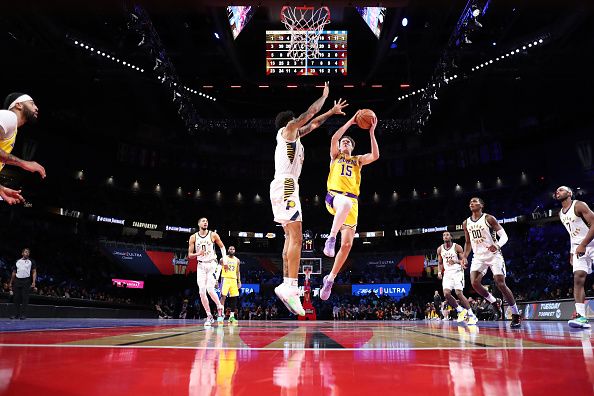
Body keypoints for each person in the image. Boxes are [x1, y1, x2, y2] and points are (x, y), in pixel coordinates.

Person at [270, 82, 348, 316]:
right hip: (286, 185)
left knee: (289, 237)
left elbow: (314, 123)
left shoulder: (294, 138)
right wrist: (324, 98)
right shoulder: (287, 131)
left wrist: (331, 113)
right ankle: (292, 287)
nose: (299, 124)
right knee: (297, 235)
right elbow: (309, 114)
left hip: (285, 186)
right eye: (296, 121)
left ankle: (286, 283)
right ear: (290, 122)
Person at [319, 110, 380, 300]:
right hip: (335, 197)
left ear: (352, 147)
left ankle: (330, 279)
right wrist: (351, 121)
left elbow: (376, 155)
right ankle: (330, 238)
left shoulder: (357, 160)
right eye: (343, 141)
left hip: (353, 202)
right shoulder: (335, 156)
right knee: (344, 203)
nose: (344, 142)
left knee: (346, 245)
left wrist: (371, 132)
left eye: (348, 142)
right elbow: (334, 138)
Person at [461, 197, 521, 328]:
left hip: (494, 255)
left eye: (475, 201)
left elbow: (504, 236)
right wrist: (465, 256)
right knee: (474, 283)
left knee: (500, 283)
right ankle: (494, 302)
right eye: (470, 202)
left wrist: (498, 245)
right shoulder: (466, 223)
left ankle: (515, 314)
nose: (472, 203)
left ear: (481, 205)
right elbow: (468, 242)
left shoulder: (489, 218)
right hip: (478, 257)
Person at [555, 186, 594, 328]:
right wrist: (572, 252)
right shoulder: (561, 214)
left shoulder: (579, 205)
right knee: (578, 277)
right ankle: (581, 316)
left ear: (569, 193)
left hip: (591, 243)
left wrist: (583, 244)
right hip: (578, 247)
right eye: (557, 191)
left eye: (561, 190)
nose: (557, 192)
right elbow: (573, 234)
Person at [188, 217, 227, 326]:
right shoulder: (193, 237)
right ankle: (209, 316)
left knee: (210, 289)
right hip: (200, 265)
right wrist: (198, 254)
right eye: (203, 221)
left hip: (212, 264)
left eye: (207, 221)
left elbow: (222, 247)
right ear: (199, 223)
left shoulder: (213, 235)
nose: (205, 222)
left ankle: (219, 307)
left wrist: (225, 260)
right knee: (201, 291)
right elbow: (190, 255)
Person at [437, 231, 478, 325]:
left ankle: (472, 315)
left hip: (457, 272)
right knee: (446, 294)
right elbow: (439, 263)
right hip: (447, 273)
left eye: (447, 235)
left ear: (451, 237)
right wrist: (439, 272)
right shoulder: (440, 249)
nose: (445, 236)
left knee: (458, 293)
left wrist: (456, 261)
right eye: (444, 235)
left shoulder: (457, 247)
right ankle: (460, 310)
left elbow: (464, 261)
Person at [8, 248, 36, 320]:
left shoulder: (31, 261)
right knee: (16, 298)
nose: (27, 253)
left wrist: (33, 282)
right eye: (25, 252)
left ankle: (23, 315)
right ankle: (16, 314)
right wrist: (11, 282)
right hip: (17, 281)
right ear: (22, 253)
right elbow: (14, 272)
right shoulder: (17, 261)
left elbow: (34, 272)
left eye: (28, 252)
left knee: (25, 298)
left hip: (26, 281)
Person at [218, 245, 241, 324]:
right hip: (225, 278)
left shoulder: (237, 260)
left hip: (234, 280)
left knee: (234, 298)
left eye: (233, 249)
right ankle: (220, 316)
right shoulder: (223, 259)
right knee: (223, 297)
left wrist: (239, 281)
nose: (232, 250)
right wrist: (216, 281)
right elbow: (218, 270)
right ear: (228, 250)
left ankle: (231, 317)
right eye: (230, 248)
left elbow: (238, 272)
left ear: (235, 251)